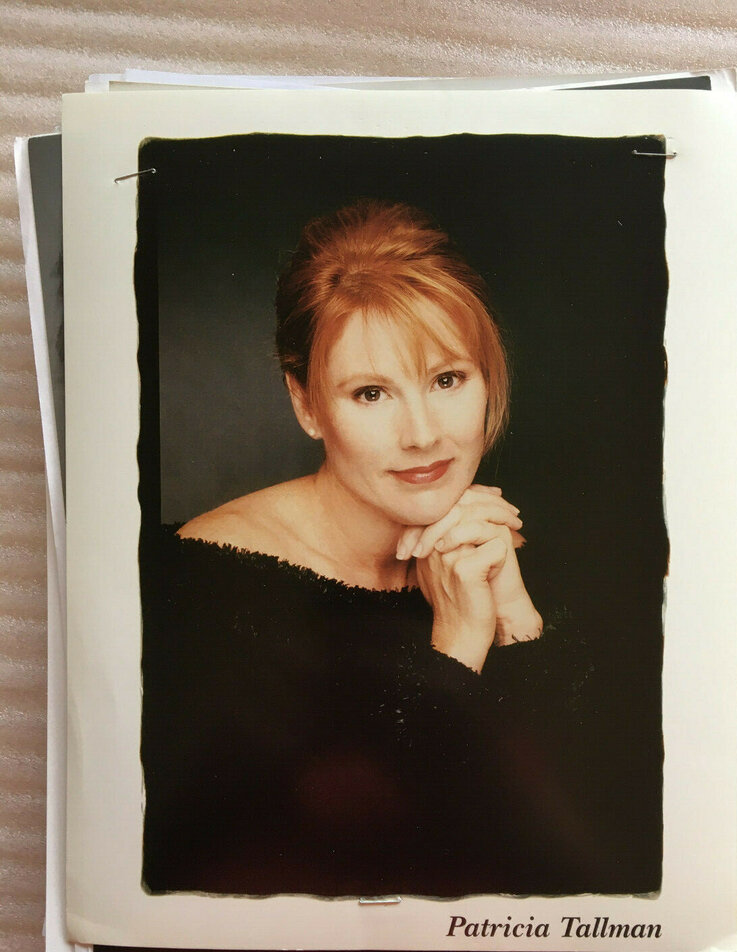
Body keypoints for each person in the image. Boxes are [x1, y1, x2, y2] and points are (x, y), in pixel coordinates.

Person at [140, 201, 594, 899]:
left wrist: (513, 611)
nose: (422, 435)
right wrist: (455, 648)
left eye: (447, 380)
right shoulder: (207, 584)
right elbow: (352, 877)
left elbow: (578, 855)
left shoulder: (487, 542)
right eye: (372, 393)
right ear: (306, 404)